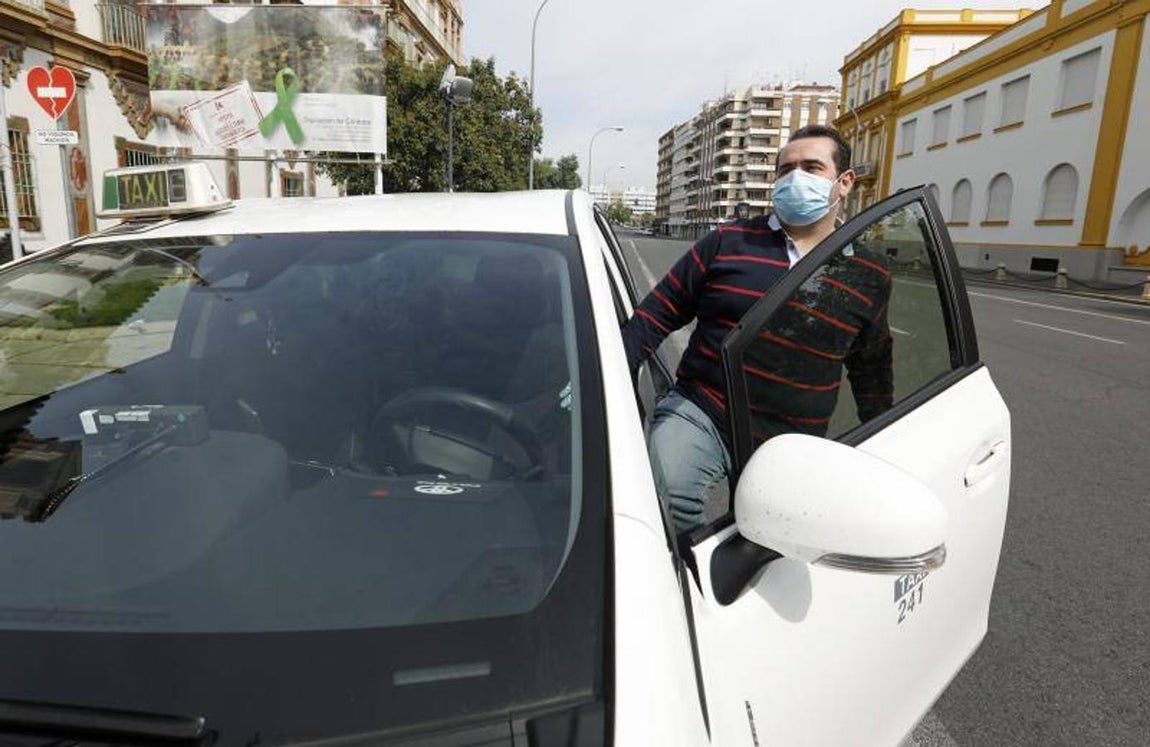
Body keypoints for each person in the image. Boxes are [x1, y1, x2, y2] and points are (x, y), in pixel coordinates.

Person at [622, 124, 892, 534]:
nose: (793, 178)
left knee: (773, 548)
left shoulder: (867, 272)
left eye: (811, 167)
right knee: (663, 493)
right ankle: (685, 583)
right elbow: (654, 316)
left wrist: (887, 442)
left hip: (794, 440)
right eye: (785, 170)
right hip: (704, 410)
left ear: (844, 182)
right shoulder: (728, 241)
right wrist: (600, 378)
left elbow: (871, 367)